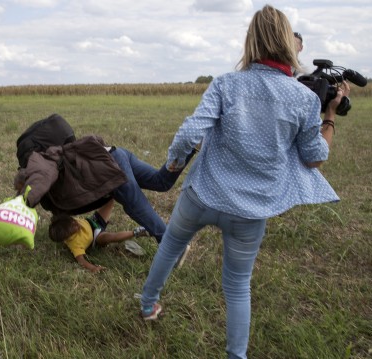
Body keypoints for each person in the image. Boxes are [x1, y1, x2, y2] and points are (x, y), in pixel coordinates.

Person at [139, 5, 350, 359]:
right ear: (288, 43)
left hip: (202, 194)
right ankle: (236, 355)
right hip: (251, 210)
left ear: (250, 41)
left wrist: (174, 163)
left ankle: (147, 304)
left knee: (171, 245)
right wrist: (330, 114)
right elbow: (315, 157)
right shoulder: (303, 98)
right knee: (237, 286)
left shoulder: (226, 83)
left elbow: (192, 131)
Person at [17, 134, 197, 244]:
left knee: (134, 203)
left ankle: (172, 246)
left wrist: (22, 202)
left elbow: (41, 179)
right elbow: (63, 214)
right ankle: (188, 147)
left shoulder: (42, 169)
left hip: (108, 168)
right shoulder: (53, 198)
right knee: (160, 182)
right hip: (114, 154)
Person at [48, 198, 149, 272]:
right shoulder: (75, 244)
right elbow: (81, 261)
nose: (76, 223)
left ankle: (114, 192)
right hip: (96, 237)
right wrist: (93, 268)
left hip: (93, 222)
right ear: (68, 235)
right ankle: (136, 232)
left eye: (73, 221)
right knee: (109, 237)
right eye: (73, 227)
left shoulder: (67, 222)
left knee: (109, 201)